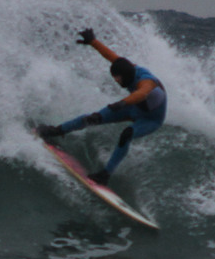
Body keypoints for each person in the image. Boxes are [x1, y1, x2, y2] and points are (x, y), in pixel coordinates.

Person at [37, 29, 167, 185]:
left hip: (151, 119)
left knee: (127, 134)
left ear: (125, 76)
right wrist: (93, 42)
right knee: (93, 118)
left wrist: (123, 103)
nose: (116, 81)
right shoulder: (128, 68)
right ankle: (56, 131)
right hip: (133, 107)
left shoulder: (146, 81)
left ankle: (105, 174)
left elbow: (143, 94)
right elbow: (112, 57)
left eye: (117, 79)